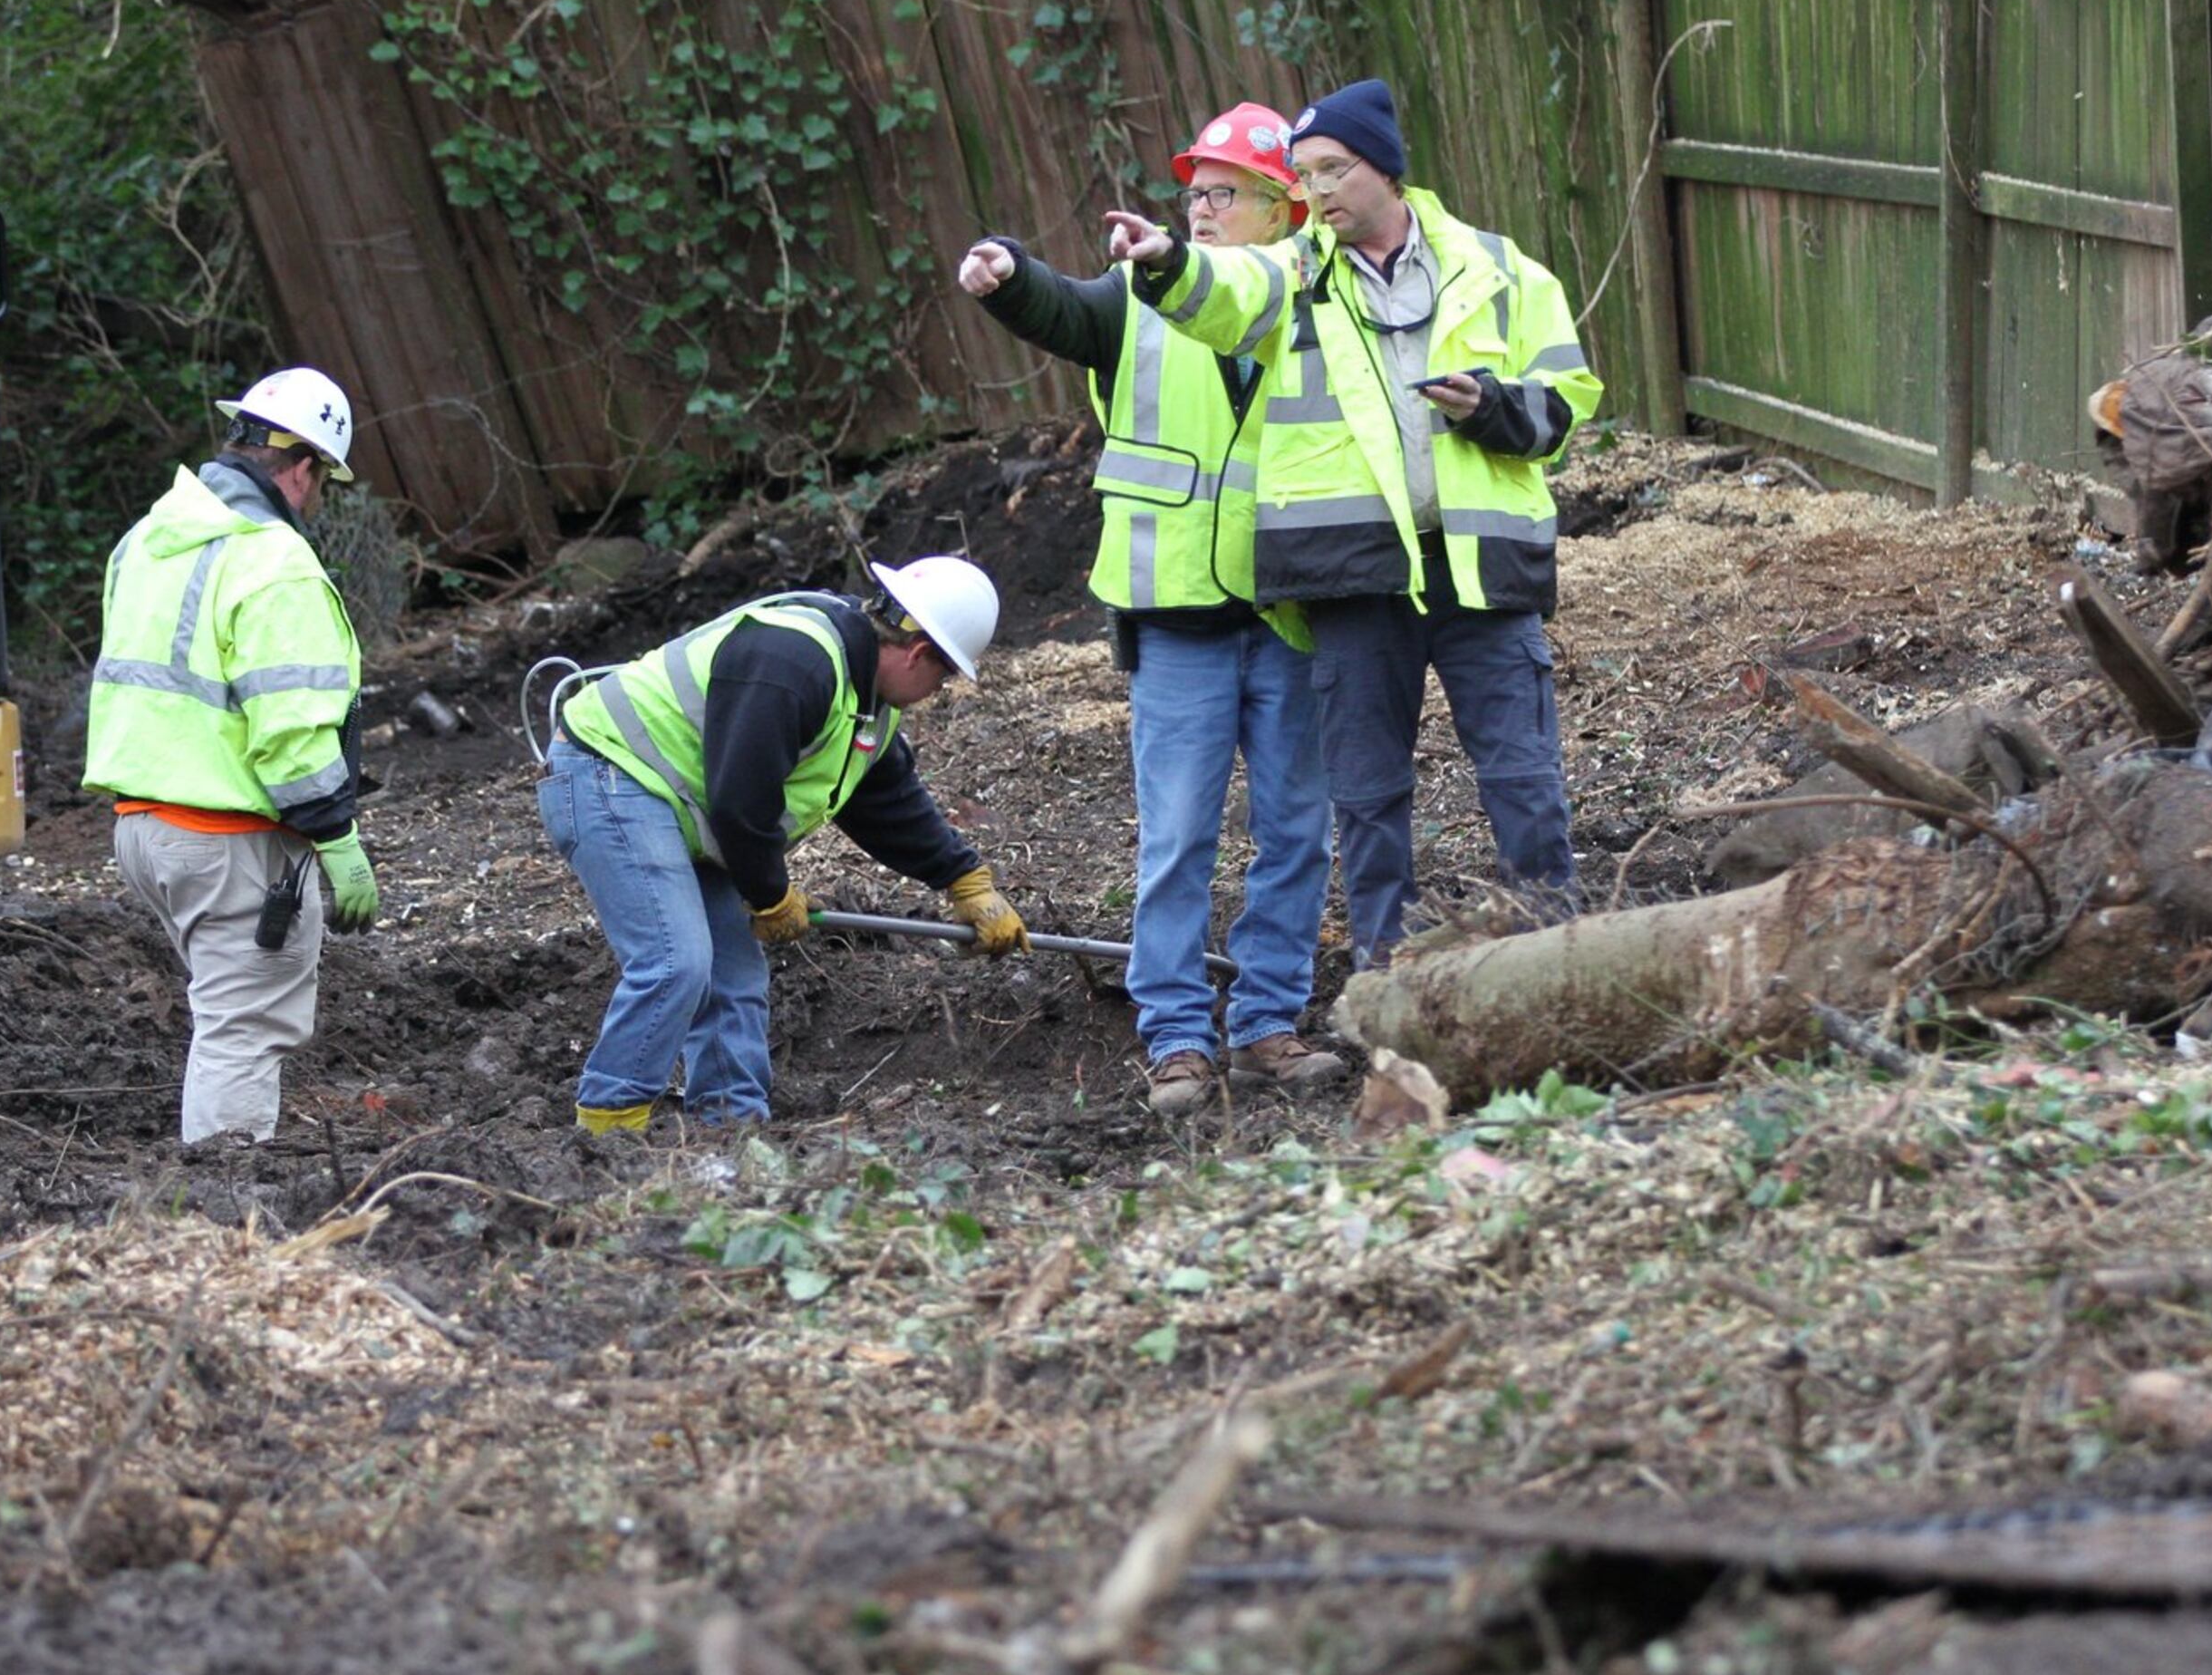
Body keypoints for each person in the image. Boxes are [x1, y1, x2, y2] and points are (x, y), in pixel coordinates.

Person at [1113, 78, 1601, 968]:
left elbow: (1568, 408)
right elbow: (1219, 293)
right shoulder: (1293, 271)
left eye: (1333, 169)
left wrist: (1490, 409)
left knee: (1526, 785)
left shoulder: (1499, 269)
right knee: (1369, 799)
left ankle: (1555, 963)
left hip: (1480, 567)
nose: (1318, 191)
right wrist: (1165, 261)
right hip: (1353, 576)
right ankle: (1385, 978)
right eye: (1305, 175)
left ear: (1385, 167)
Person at [953, 102, 1343, 1115]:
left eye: (1224, 192)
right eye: (1195, 192)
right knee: (1177, 837)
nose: (1202, 209)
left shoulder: (1321, 298)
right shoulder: (1142, 293)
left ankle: (1265, 1024)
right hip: (1176, 615)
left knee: (1298, 830)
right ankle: (1176, 1038)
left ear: (1282, 207)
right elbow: (1067, 309)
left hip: (1295, 609)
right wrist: (1009, 271)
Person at [537, 557, 1025, 1133]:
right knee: (677, 963)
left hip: (681, 803)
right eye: (942, 679)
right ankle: (607, 1132)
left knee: (734, 975)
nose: (934, 693)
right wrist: (770, 893)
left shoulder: (867, 696)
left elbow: (886, 800)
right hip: (610, 774)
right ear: (919, 655)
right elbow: (743, 798)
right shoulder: (793, 661)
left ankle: (731, 1130)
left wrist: (963, 879)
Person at [82, 368, 380, 1144]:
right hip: (227, 843)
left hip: (145, 829)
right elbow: (289, 728)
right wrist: (337, 837)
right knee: (245, 1026)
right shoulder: (273, 561)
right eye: (322, 482)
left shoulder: (145, 539)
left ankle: (215, 1208)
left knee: (224, 1011)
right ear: (304, 466)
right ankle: (225, 1217)